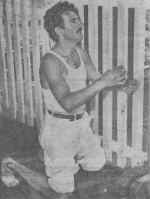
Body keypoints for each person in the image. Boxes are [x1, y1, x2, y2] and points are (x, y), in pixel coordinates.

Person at [1, 1, 137, 199]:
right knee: (62, 190)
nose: (79, 23)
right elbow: (67, 103)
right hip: (59, 130)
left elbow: (96, 78)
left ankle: (49, 158)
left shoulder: (79, 51)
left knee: (96, 164)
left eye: (78, 19)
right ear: (59, 30)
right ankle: (15, 164)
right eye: (73, 21)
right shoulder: (50, 61)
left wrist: (120, 84)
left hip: (81, 124)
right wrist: (103, 83)